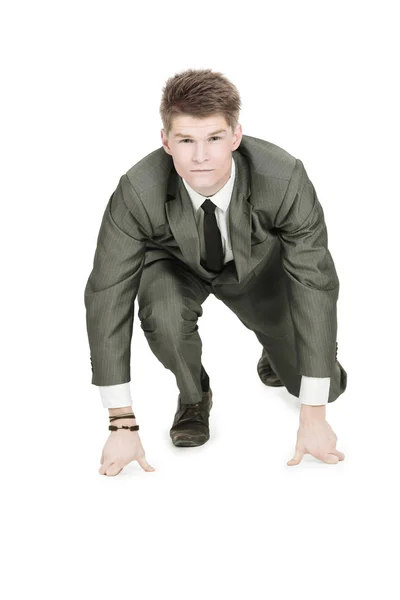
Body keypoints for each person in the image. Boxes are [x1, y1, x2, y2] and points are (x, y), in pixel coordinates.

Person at [84, 68, 347, 477]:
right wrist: (122, 422)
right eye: (186, 140)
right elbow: (107, 294)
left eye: (214, 139)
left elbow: (314, 282)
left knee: (327, 385)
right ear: (166, 141)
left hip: (257, 270)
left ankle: (275, 347)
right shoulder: (137, 191)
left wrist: (313, 416)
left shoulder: (283, 178)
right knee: (164, 314)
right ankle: (194, 396)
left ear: (236, 137)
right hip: (174, 265)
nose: (200, 156)